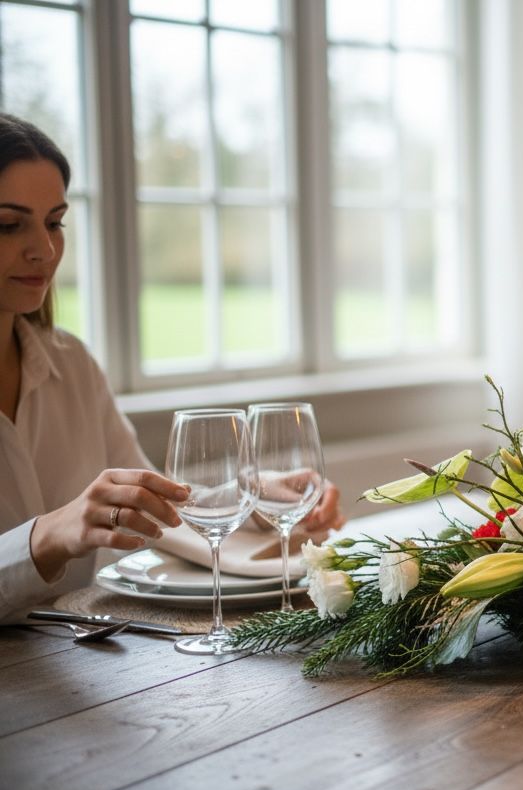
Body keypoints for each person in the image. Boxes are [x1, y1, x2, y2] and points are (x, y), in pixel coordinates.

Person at [0, 114, 344, 620]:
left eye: (54, 222)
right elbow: (84, 523)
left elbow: (151, 511)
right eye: (9, 224)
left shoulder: (72, 365)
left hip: (78, 662)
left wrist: (254, 497)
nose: (45, 250)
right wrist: (49, 534)